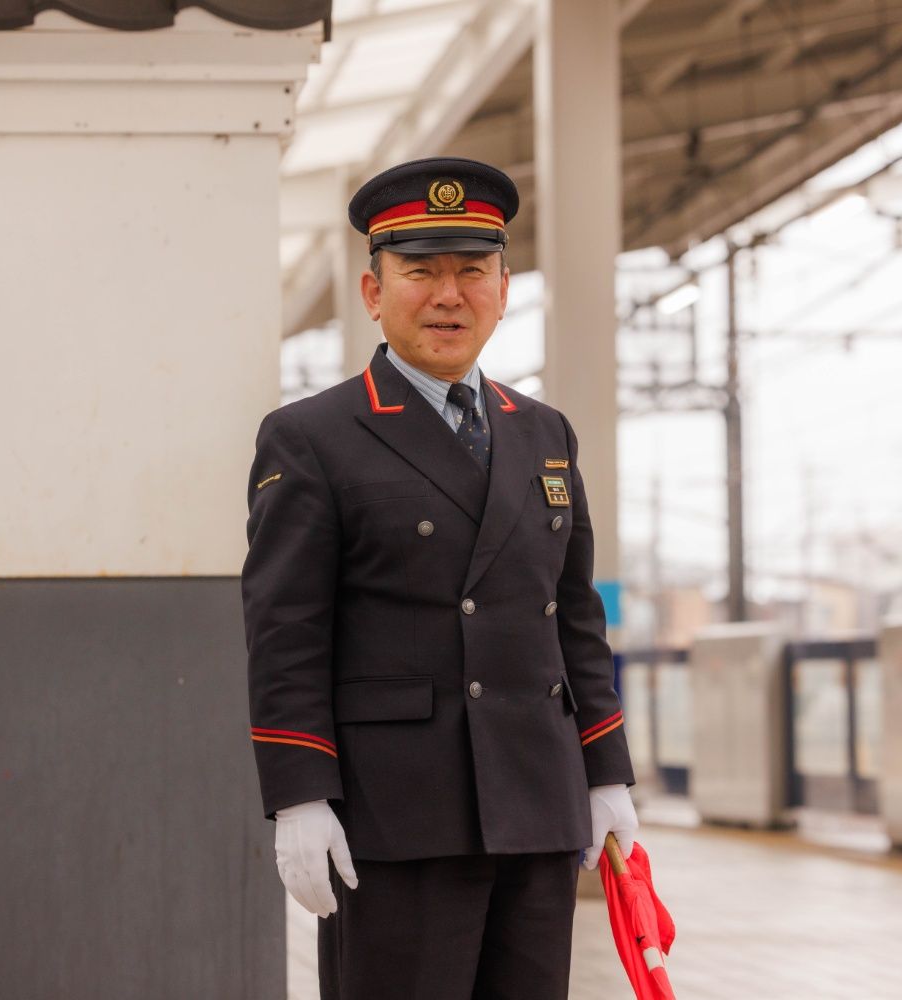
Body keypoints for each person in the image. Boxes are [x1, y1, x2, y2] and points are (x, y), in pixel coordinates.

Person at [242, 156, 638, 1000]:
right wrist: (299, 794)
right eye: (420, 272)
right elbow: (285, 629)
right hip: (396, 814)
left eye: (471, 271)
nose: (448, 295)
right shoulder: (313, 435)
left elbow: (573, 617)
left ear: (503, 288)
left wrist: (605, 772)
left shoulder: (544, 432)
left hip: (537, 805)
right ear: (373, 292)